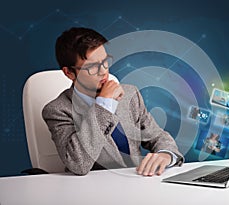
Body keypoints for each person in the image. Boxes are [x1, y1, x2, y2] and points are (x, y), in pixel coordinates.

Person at [42, 27, 184, 176]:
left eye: (105, 61)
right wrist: (104, 104)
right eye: (91, 67)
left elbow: (157, 136)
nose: (103, 71)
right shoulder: (57, 110)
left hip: (139, 182)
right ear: (69, 73)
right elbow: (78, 164)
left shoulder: (130, 94)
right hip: (96, 192)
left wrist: (166, 154)